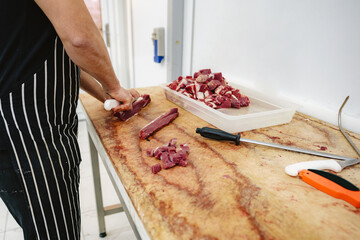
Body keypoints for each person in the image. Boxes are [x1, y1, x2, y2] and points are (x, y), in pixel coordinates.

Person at [0, 0, 139, 239]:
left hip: (19, 130)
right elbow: (80, 40)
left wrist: (106, 92)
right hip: (29, 133)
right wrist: (113, 85)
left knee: (39, 227)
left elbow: (62, 53)